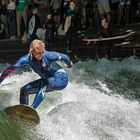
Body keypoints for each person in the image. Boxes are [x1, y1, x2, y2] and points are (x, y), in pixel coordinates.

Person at [0, 39, 72, 109]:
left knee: (44, 83)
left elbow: (65, 57)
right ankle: (23, 112)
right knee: (24, 90)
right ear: (32, 51)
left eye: (42, 52)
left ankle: (32, 109)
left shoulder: (48, 55)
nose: (41, 55)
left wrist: (69, 65)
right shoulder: (26, 59)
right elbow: (9, 69)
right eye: (38, 53)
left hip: (61, 79)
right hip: (48, 81)